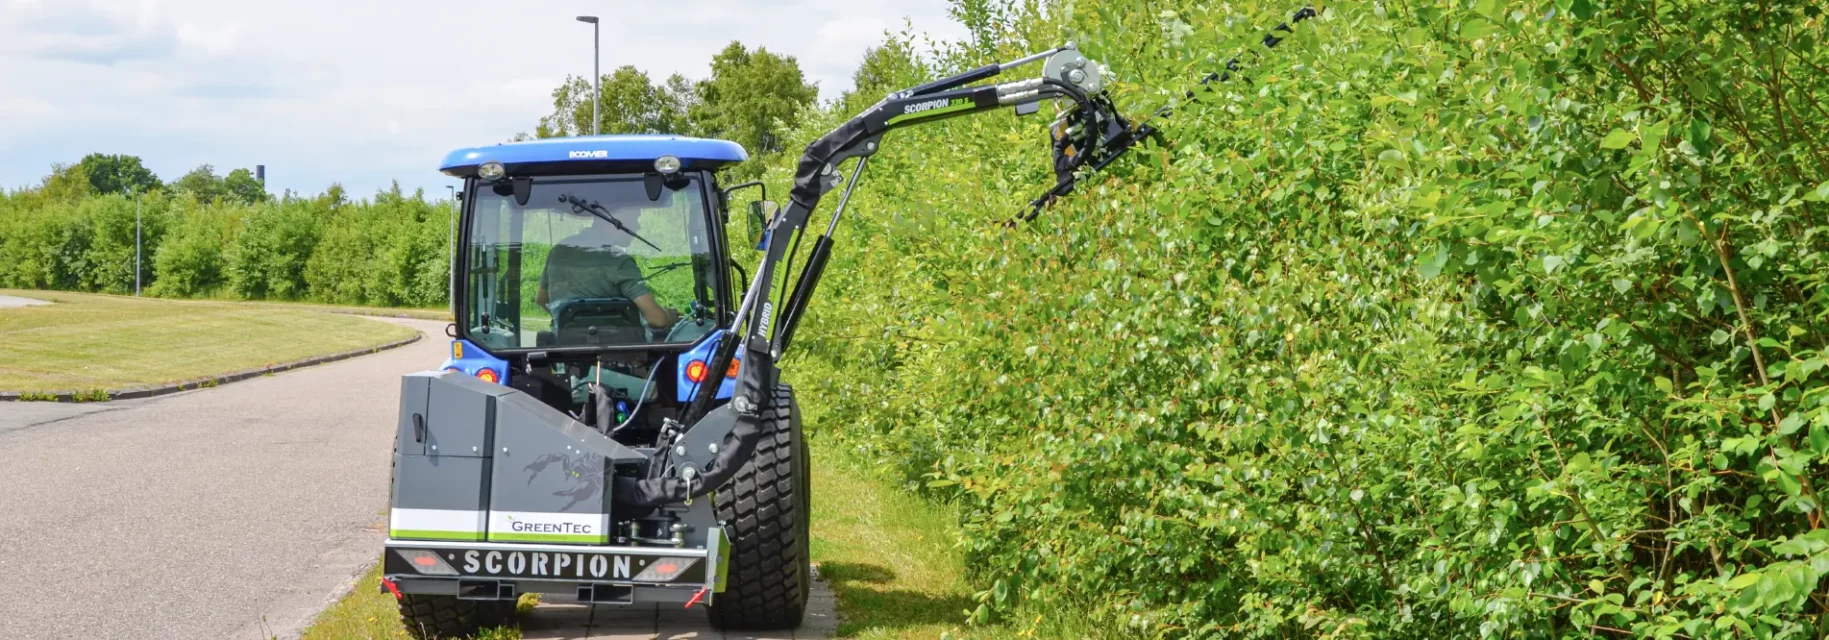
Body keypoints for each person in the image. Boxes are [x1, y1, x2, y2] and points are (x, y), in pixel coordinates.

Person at [534, 205, 680, 330]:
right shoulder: (618, 261)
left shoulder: (559, 251)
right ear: (613, 220)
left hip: (565, 354)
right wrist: (669, 316)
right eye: (635, 218)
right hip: (614, 354)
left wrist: (567, 322)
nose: (638, 226)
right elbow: (657, 319)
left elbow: (541, 299)